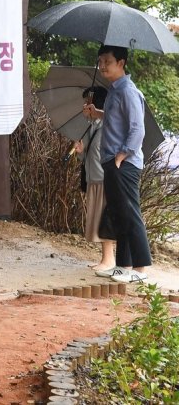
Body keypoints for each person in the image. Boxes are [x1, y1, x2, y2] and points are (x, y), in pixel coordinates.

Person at [85, 45, 151, 283]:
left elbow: (137, 129)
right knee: (120, 214)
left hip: (124, 163)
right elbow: (116, 119)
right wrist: (98, 113)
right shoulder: (114, 90)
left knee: (131, 213)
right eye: (100, 61)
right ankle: (124, 266)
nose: (102, 66)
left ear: (121, 63)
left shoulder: (128, 91)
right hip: (112, 162)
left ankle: (141, 270)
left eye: (107, 61)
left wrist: (122, 156)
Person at [73, 86, 115, 271]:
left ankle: (109, 261)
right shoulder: (93, 127)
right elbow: (92, 156)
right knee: (98, 220)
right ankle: (106, 259)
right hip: (94, 180)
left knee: (104, 221)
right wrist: (81, 153)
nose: (84, 106)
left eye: (87, 102)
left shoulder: (108, 128)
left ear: (95, 105)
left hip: (104, 182)